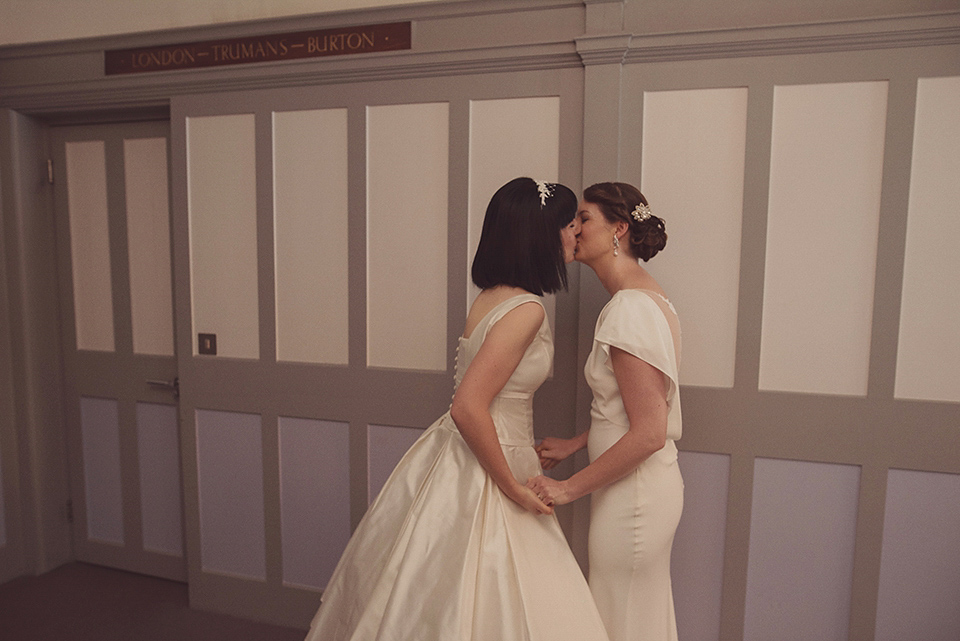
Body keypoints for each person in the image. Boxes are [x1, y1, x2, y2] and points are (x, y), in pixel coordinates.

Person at [305, 177, 609, 641]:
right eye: (568, 225)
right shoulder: (527, 309)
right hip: (492, 461)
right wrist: (511, 487)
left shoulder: (492, 296)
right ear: (540, 235)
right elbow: (470, 407)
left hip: (465, 451)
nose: (575, 235)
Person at [527, 182, 684, 641]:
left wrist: (567, 489)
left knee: (622, 623)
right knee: (636, 620)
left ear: (619, 229)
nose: (574, 228)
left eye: (584, 218)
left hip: (634, 498)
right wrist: (578, 443)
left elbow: (651, 431)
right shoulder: (645, 298)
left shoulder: (629, 309)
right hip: (643, 489)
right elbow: (638, 407)